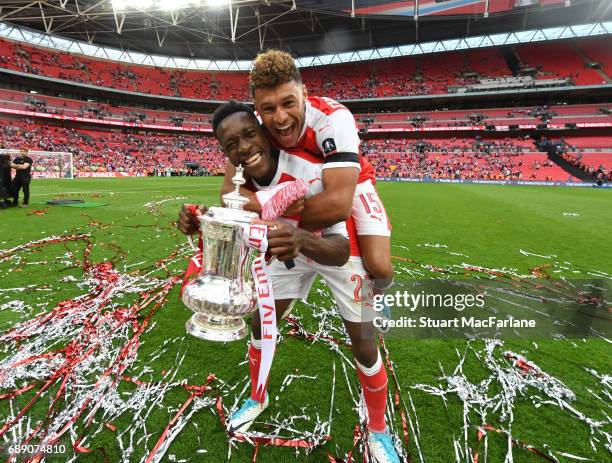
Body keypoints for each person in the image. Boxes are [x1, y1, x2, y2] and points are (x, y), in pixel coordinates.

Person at [178, 102, 400, 463]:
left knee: (364, 344)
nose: (244, 148)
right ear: (225, 154)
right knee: (260, 323)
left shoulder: (309, 171)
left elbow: (340, 247)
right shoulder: (239, 181)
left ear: (265, 133)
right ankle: (257, 396)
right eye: (231, 145)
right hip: (285, 248)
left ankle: (378, 430)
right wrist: (196, 219)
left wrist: (302, 240)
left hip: (329, 245)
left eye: (250, 135)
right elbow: (228, 221)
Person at [221, 49, 394, 296]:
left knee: (378, 265)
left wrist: (272, 221)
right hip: (298, 190)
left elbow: (337, 205)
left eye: (288, 103)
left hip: (352, 183)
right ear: (256, 108)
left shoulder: (333, 119)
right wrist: (274, 207)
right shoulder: (254, 129)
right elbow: (230, 192)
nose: (280, 118)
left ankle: (381, 297)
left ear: (304, 94)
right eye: (268, 108)